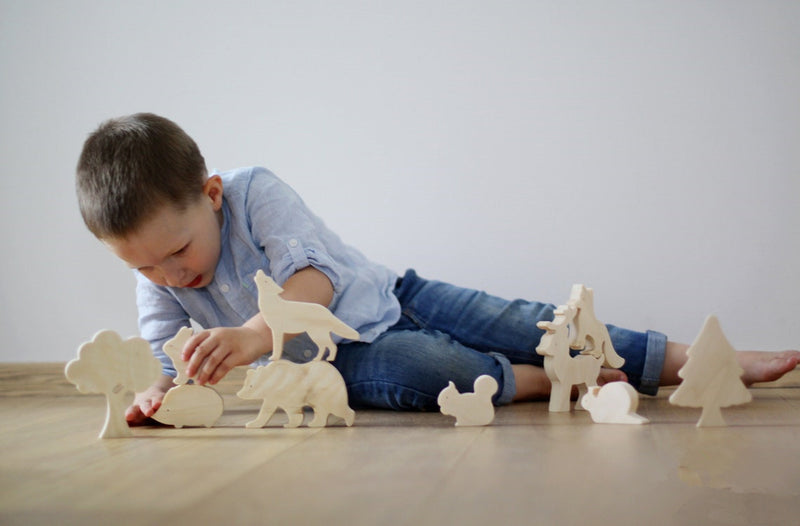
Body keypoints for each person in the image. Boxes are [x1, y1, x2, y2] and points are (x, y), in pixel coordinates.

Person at [75, 113, 800, 425]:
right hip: (349, 360)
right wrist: (156, 396)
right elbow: (165, 356)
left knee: (526, 319)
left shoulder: (254, 191)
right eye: (145, 268)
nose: (171, 277)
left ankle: (688, 359)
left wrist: (254, 334)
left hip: (395, 294)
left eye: (178, 253)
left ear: (209, 197)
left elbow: (314, 285)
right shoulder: (158, 272)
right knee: (427, 371)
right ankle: (559, 383)